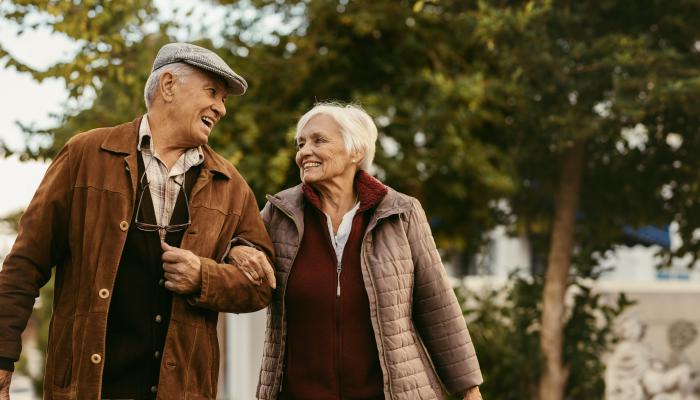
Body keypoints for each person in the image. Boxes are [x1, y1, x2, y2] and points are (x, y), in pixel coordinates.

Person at [0, 42, 275, 399]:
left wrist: (203, 277)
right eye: (212, 92)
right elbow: (25, 262)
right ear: (168, 85)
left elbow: (261, 287)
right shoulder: (86, 154)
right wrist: (3, 357)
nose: (221, 109)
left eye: (224, 99)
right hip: (88, 389)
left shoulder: (231, 185)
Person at [252, 102, 483, 399]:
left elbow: (437, 304)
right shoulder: (279, 213)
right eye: (301, 143)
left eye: (318, 140)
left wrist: (468, 389)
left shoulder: (401, 213)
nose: (304, 152)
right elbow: (240, 254)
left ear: (356, 152)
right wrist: (237, 255)